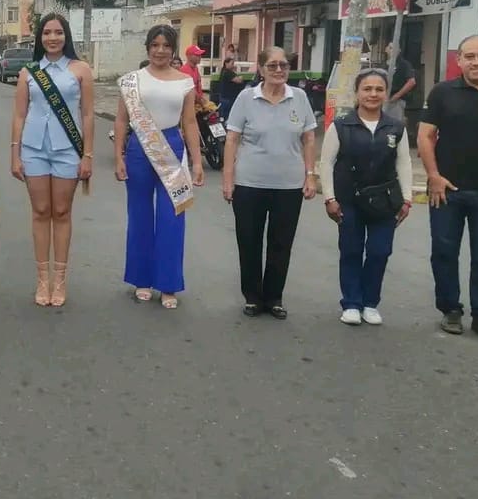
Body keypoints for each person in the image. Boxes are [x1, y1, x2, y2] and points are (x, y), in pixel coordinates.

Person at [418, 34, 478, 343]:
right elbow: (425, 135)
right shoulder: (442, 93)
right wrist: (433, 175)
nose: (476, 62)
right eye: (469, 56)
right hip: (447, 191)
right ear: (459, 60)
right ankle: (450, 310)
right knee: (443, 252)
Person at [114, 24, 205, 309]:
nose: (160, 50)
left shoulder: (185, 82)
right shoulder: (132, 80)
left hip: (172, 148)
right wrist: (119, 156)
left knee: (172, 217)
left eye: (166, 45)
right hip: (138, 150)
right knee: (139, 215)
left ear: (173, 49)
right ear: (147, 48)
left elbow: (189, 122)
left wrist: (197, 161)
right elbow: (121, 120)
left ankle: (168, 284)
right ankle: (141, 279)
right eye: (155, 45)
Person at [222, 47, 317, 319]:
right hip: (249, 183)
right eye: (272, 65)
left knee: (281, 243)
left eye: (283, 65)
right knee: (249, 241)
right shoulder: (246, 98)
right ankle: (253, 297)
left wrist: (310, 174)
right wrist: (228, 178)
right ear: (261, 69)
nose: (278, 70)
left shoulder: (299, 97)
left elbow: (309, 139)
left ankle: (274, 297)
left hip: (289, 185)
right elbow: (232, 139)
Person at [10, 12, 95, 307]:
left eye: (58, 32)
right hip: (34, 149)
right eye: (47, 32)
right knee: (40, 210)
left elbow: (87, 115)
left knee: (61, 211)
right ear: (40, 37)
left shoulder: (80, 69)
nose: (52, 38)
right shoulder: (29, 72)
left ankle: (59, 280)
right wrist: (15, 154)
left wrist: (87, 155)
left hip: (68, 150)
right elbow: (19, 115)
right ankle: (42, 280)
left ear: (66, 36)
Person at [319, 69, 413, 326]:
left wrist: (407, 199)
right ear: (357, 93)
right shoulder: (341, 126)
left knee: (379, 251)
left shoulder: (396, 127)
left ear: (386, 93)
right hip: (349, 200)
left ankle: (370, 303)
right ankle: (351, 303)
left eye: (379, 89)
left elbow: (404, 163)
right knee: (351, 250)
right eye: (367, 89)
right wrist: (330, 198)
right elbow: (326, 163)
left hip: (385, 201)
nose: (373, 94)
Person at [384, 42, 416, 123]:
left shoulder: (404, 64)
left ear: (399, 50)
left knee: (394, 125)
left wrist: (397, 96)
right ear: (386, 49)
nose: (392, 50)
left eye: (395, 48)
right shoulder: (383, 65)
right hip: (382, 100)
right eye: (390, 48)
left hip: (396, 102)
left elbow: (411, 82)